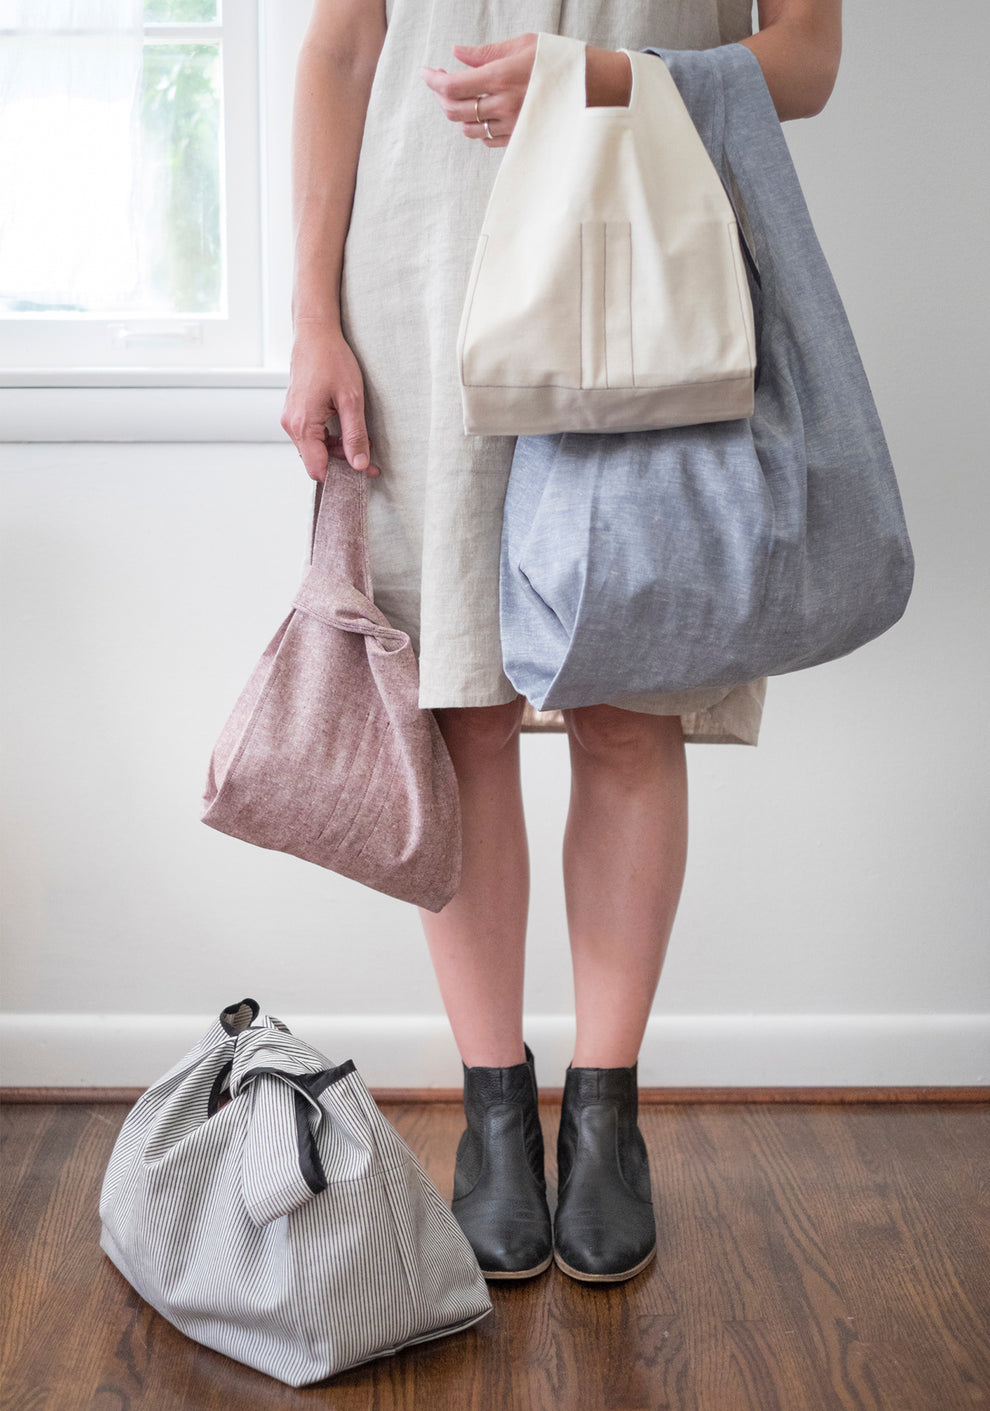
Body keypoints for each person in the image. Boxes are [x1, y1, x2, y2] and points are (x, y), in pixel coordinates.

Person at [282, 0, 842, 1283]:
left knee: (630, 704)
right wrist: (312, 315)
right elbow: (337, 44)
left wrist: (598, 77)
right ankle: (492, 1113)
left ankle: (605, 1117)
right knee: (458, 701)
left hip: (644, 260)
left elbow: (808, 57)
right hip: (422, 262)